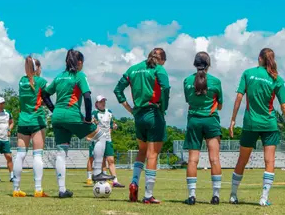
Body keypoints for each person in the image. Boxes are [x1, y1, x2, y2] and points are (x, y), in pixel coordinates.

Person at [228, 48, 285, 206]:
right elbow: (284, 106)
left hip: (250, 123)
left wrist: (233, 120)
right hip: (269, 124)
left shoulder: (247, 73)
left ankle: (233, 195)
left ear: (259, 58)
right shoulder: (276, 78)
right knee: (270, 161)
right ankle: (263, 198)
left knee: (242, 160)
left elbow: (239, 97)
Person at [42, 49, 114, 198]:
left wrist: (54, 110)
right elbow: (87, 97)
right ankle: (97, 172)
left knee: (61, 152)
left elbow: (44, 94)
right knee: (100, 136)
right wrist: (88, 118)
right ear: (79, 62)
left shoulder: (59, 77)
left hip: (57, 117)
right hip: (72, 115)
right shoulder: (79, 76)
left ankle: (62, 190)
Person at [114, 47, 170, 204]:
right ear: (162, 60)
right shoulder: (159, 69)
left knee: (142, 151)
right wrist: (163, 107)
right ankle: (148, 195)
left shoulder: (133, 69)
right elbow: (165, 88)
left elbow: (118, 90)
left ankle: (134, 182)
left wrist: (130, 109)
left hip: (138, 116)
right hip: (153, 114)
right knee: (152, 154)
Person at [182, 52, 223, 205]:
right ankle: (216, 196)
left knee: (193, 160)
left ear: (195, 63)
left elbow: (188, 100)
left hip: (194, 120)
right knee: (214, 159)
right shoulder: (216, 81)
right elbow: (220, 104)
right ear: (209, 64)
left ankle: (192, 196)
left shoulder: (187, 81)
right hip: (211, 120)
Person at [12, 56, 53, 197]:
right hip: (36, 120)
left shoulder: (21, 81)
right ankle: (38, 189)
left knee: (20, 155)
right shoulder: (41, 81)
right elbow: (46, 99)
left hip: (23, 121)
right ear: (38, 68)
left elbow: (29, 98)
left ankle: (16, 189)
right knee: (37, 155)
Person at [86, 95, 125, 188]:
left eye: (104, 101)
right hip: (98, 139)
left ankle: (115, 181)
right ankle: (96, 178)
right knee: (97, 160)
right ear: (97, 104)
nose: (103, 103)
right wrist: (89, 135)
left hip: (108, 139)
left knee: (111, 160)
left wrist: (114, 127)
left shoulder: (109, 112)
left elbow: (112, 125)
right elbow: (90, 126)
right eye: (101, 102)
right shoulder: (94, 113)